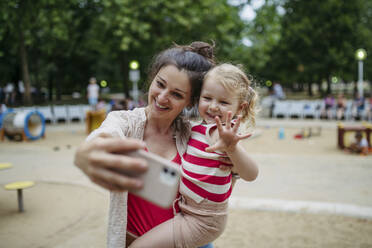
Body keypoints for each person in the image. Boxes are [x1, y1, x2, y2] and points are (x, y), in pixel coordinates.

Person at [74, 41, 219, 248]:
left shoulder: (193, 136)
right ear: (152, 79)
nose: (162, 97)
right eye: (160, 84)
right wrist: (87, 152)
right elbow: (104, 135)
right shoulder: (125, 122)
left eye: (176, 94)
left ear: (190, 102)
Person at [130, 63, 259, 248]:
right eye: (207, 98)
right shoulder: (195, 129)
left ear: (240, 108)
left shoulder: (222, 134)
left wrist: (233, 149)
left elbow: (252, 174)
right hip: (188, 211)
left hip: (203, 219)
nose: (213, 106)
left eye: (223, 102)